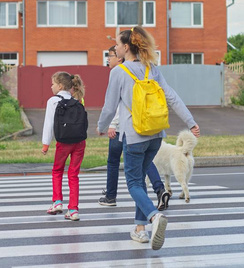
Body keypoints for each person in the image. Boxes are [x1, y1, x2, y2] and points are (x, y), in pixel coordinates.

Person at [97, 27, 200, 250]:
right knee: (141, 179)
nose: (114, 47)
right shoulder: (151, 68)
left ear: (126, 47)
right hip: (156, 136)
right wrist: (191, 122)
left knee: (133, 183)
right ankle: (140, 230)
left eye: (116, 44)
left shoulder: (119, 72)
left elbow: (109, 106)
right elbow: (172, 97)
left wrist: (101, 127)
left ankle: (154, 217)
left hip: (134, 137)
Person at [99, 46, 171, 211]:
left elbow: (117, 106)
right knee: (143, 165)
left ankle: (112, 196)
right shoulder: (142, 70)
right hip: (147, 129)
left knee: (117, 165)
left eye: (111, 55)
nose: (108, 59)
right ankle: (158, 191)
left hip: (122, 129)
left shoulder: (120, 72)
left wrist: (109, 125)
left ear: (120, 57)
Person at [42, 72, 86, 221]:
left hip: (64, 142)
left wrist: (45, 144)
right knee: (73, 175)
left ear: (60, 86)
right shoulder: (77, 100)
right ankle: (73, 210)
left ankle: (57, 201)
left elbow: (48, 124)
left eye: (53, 84)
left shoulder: (53, 101)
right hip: (80, 142)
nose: (51, 86)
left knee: (57, 170)